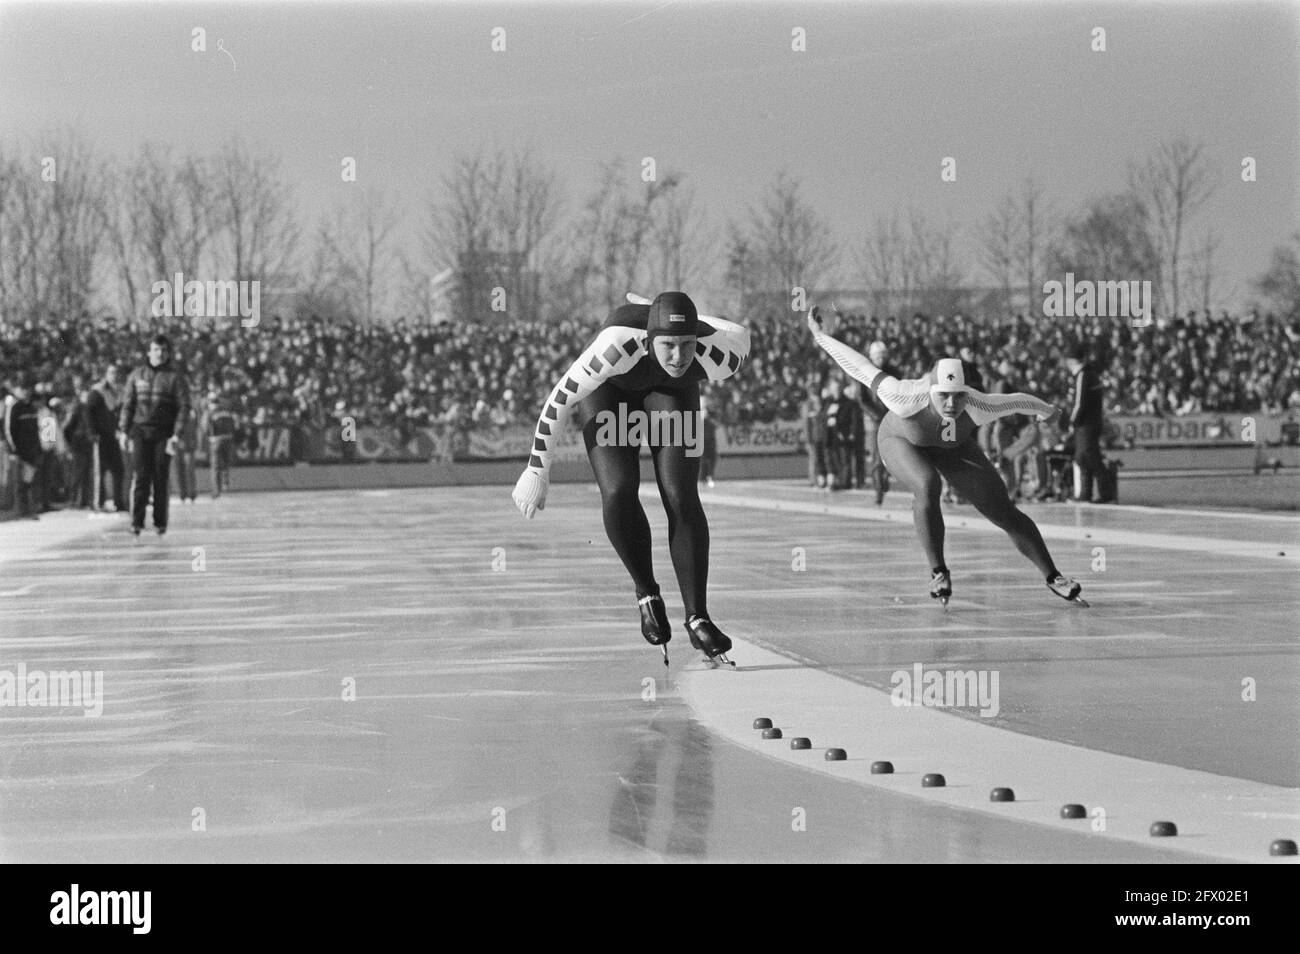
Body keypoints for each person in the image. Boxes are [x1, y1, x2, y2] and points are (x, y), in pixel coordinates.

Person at [511, 291, 751, 665]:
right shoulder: (613, 346)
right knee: (620, 489)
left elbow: (739, 333)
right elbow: (559, 400)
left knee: (681, 495)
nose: (678, 356)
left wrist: (704, 322)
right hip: (609, 391)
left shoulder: (717, 356)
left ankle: (698, 616)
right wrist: (537, 468)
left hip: (670, 394)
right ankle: (647, 593)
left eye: (687, 344)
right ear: (649, 339)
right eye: (668, 345)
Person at [807, 305, 1085, 606]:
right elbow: (859, 367)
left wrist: (1048, 412)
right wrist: (820, 336)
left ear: (968, 392)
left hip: (952, 446)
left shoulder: (978, 404)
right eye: (944, 396)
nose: (952, 404)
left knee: (1002, 508)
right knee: (928, 485)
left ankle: (1053, 576)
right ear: (931, 391)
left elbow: (1018, 401)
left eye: (958, 396)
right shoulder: (902, 395)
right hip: (900, 440)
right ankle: (938, 571)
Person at [119, 335, 191, 536]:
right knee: (141, 477)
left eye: (164, 350)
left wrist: (176, 434)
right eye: (156, 349)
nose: (160, 353)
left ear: (168, 353)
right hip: (140, 432)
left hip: (164, 433)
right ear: (149, 352)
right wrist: (123, 430)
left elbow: (184, 407)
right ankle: (136, 522)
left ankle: (160, 522)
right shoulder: (136, 375)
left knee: (160, 478)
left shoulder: (175, 378)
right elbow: (128, 405)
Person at [1066, 344, 1115, 503]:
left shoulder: (1083, 375)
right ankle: (1085, 493)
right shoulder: (1091, 373)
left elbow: (1080, 403)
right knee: (1082, 458)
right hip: (1090, 423)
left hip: (1086, 424)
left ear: (1072, 360)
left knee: (1091, 457)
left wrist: (1072, 421)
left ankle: (1105, 492)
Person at [860, 339, 904, 505]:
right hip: (874, 421)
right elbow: (862, 399)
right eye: (877, 356)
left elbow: (900, 391)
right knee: (876, 457)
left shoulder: (894, 372)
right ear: (871, 357)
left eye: (882, 356)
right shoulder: (864, 372)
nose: (880, 359)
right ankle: (878, 488)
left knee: (891, 455)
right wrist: (876, 415)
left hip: (891, 417)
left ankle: (884, 478)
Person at [989, 360, 1040, 501]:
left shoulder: (1022, 384)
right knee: (1007, 464)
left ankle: (1010, 491)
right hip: (1005, 423)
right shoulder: (1002, 384)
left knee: (1009, 457)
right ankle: (1008, 493)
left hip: (1019, 422)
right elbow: (998, 404)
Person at [2, 377, 44, 519]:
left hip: (31, 452)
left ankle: (30, 509)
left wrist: (38, 447)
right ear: (16, 390)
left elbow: (35, 430)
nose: (25, 392)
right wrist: (14, 450)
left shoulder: (31, 407)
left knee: (28, 482)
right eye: (22, 389)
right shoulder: (14, 407)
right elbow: (8, 429)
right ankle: (22, 511)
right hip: (18, 452)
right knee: (19, 483)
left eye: (27, 389)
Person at [88, 364, 127, 512]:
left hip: (113, 437)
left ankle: (119, 501)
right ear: (106, 374)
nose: (115, 376)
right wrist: (92, 433)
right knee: (100, 471)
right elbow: (89, 413)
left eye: (117, 373)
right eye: (112, 373)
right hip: (100, 437)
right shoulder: (98, 391)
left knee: (118, 469)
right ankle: (98, 502)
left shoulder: (120, 392)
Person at [62, 377, 97, 509]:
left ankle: (85, 500)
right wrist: (70, 443)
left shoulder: (91, 409)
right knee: (77, 472)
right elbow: (68, 428)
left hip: (87, 444)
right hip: (78, 444)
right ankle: (73, 499)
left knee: (87, 473)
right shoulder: (77, 408)